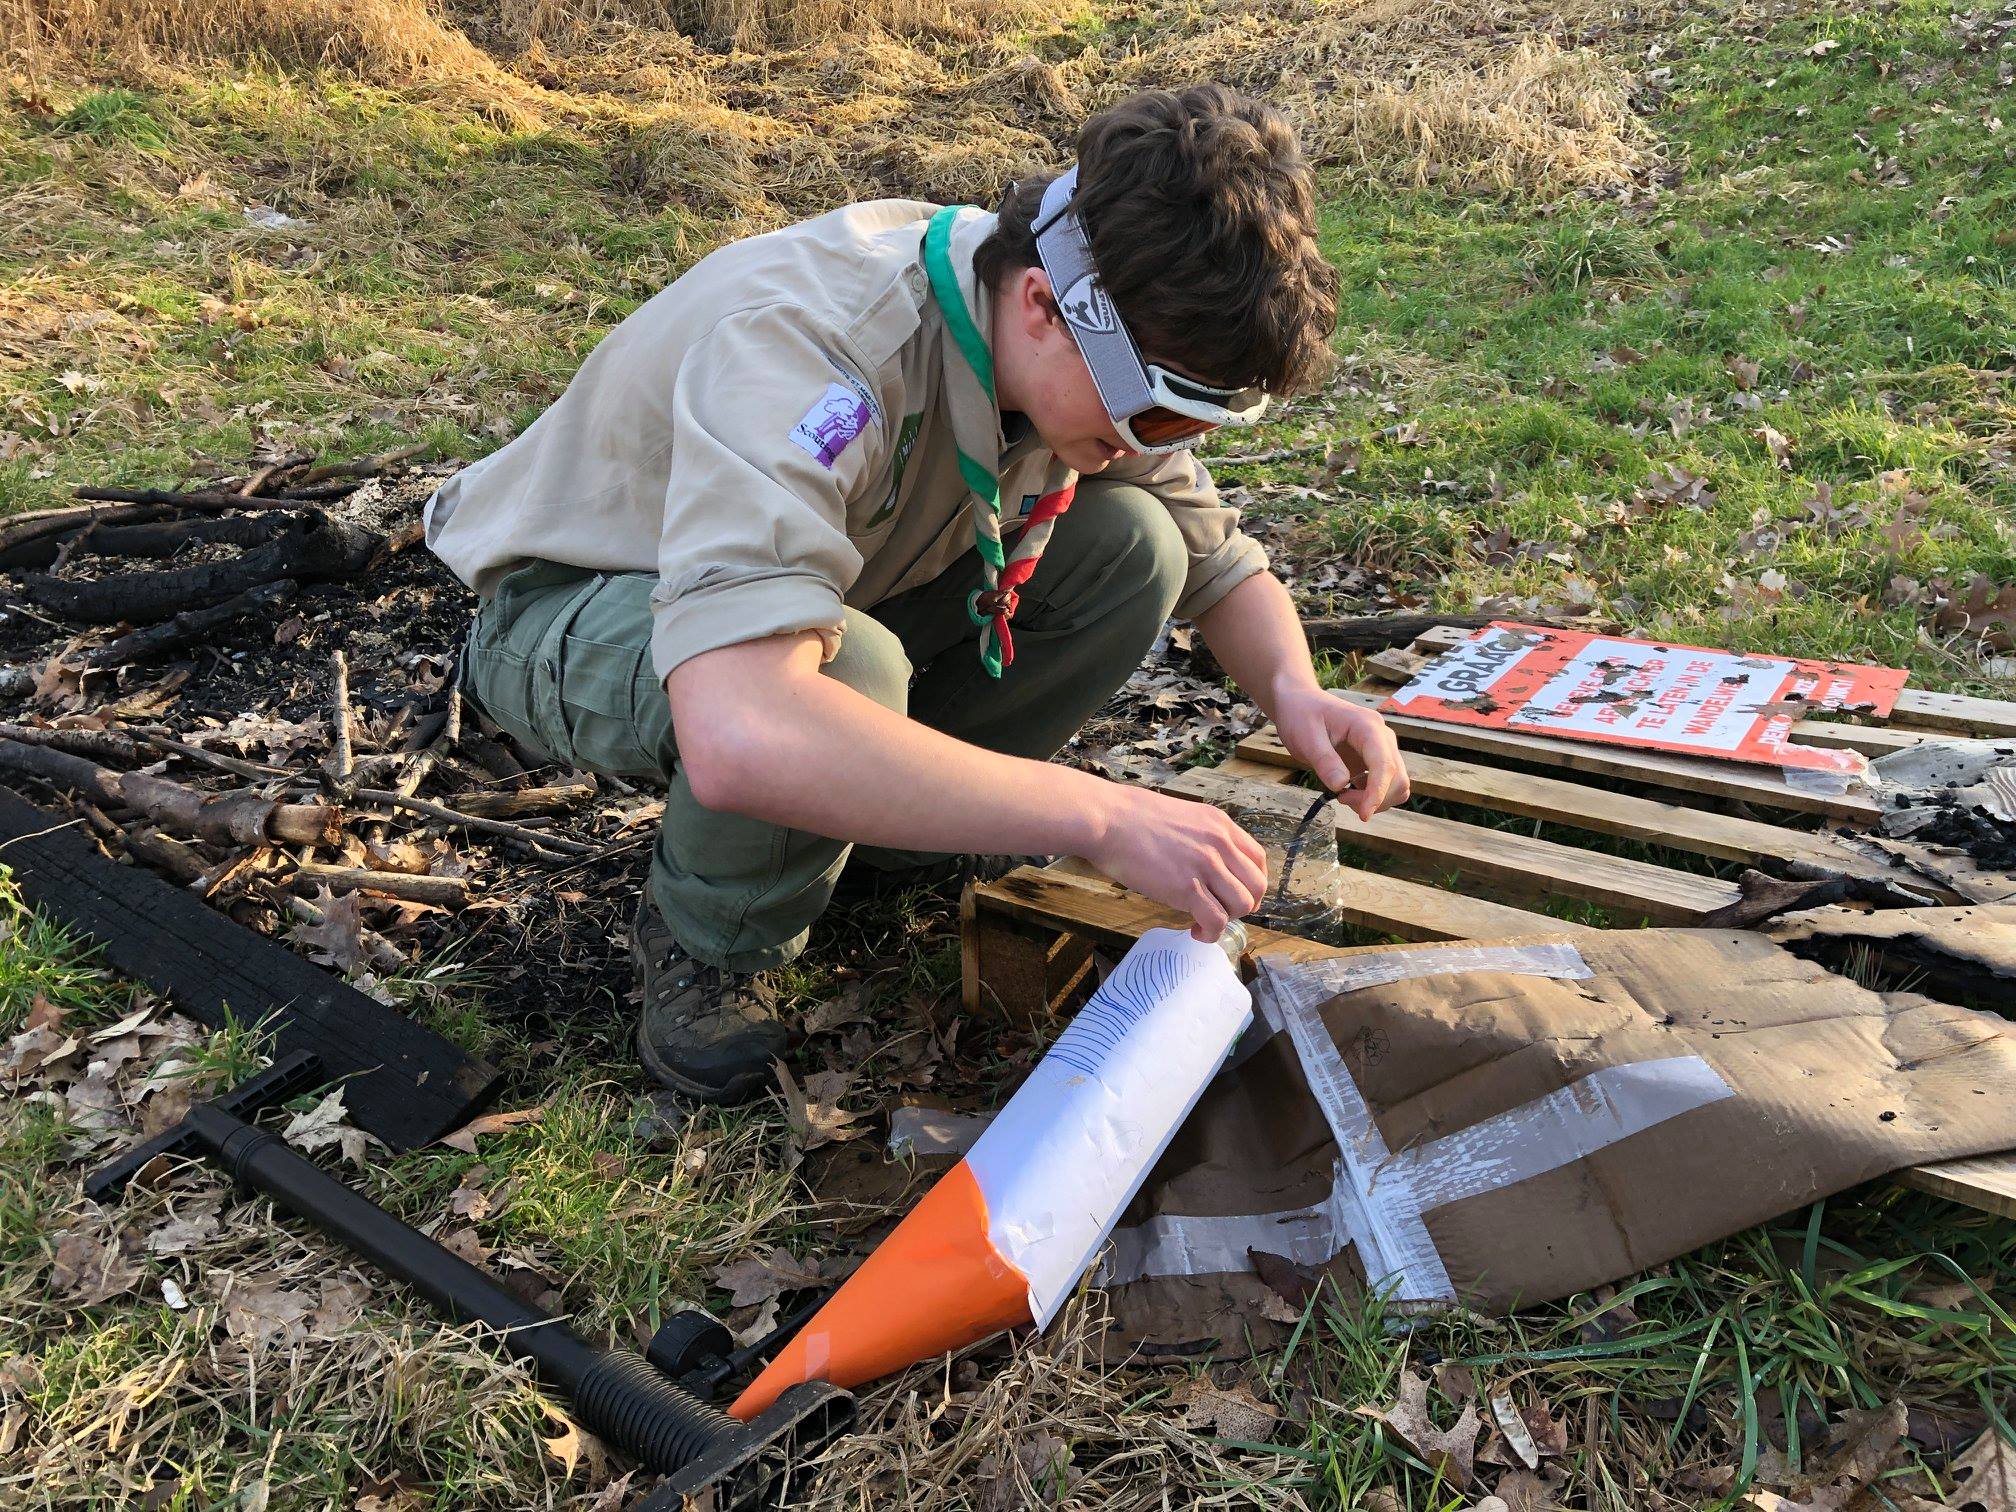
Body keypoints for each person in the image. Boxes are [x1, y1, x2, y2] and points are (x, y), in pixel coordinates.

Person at [424, 83, 1411, 1103]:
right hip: (574, 605)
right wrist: (1103, 818)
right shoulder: (816, 353)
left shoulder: (1065, 333)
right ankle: (714, 938)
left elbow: (1213, 557)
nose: (1155, 446)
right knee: (843, 668)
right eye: (1156, 417)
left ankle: (881, 849)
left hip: (821, 595)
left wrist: (1296, 690)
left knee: (1134, 548)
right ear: (1043, 306)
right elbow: (743, 726)